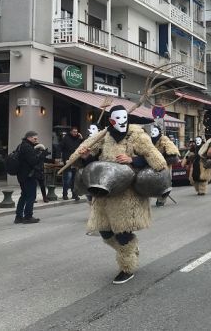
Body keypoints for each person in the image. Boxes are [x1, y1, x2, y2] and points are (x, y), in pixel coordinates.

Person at [78, 105, 167, 285]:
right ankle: (131, 248)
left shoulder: (137, 135)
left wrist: (133, 159)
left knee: (122, 232)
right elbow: (93, 161)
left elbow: (157, 161)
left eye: (123, 118)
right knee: (104, 231)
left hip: (127, 194)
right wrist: (86, 156)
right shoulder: (104, 136)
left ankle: (127, 267)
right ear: (110, 120)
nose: (120, 122)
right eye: (116, 119)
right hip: (104, 192)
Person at [14, 131, 44, 224]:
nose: (36, 140)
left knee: (24, 195)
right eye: (35, 138)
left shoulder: (21, 146)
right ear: (29, 138)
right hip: (28, 175)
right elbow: (33, 161)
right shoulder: (27, 147)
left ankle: (18, 217)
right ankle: (28, 216)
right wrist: (41, 155)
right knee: (31, 196)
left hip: (22, 175)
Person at [151, 125, 180, 207]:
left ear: (159, 132)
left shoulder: (164, 140)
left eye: (155, 130)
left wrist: (170, 153)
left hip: (164, 165)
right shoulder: (149, 140)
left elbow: (171, 147)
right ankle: (157, 197)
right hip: (152, 164)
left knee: (165, 183)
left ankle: (161, 199)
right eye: (152, 130)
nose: (153, 132)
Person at [60, 127, 83, 201]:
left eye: (76, 132)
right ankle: (65, 194)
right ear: (70, 132)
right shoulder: (66, 138)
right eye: (73, 131)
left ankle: (74, 194)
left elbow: (84, 146)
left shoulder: (79, 139)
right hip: (68, 161)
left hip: (76, 162)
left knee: (75, 180)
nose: (75, 133)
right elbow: (60, 148)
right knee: (67, 179)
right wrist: (63, 159)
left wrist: (82, 138)